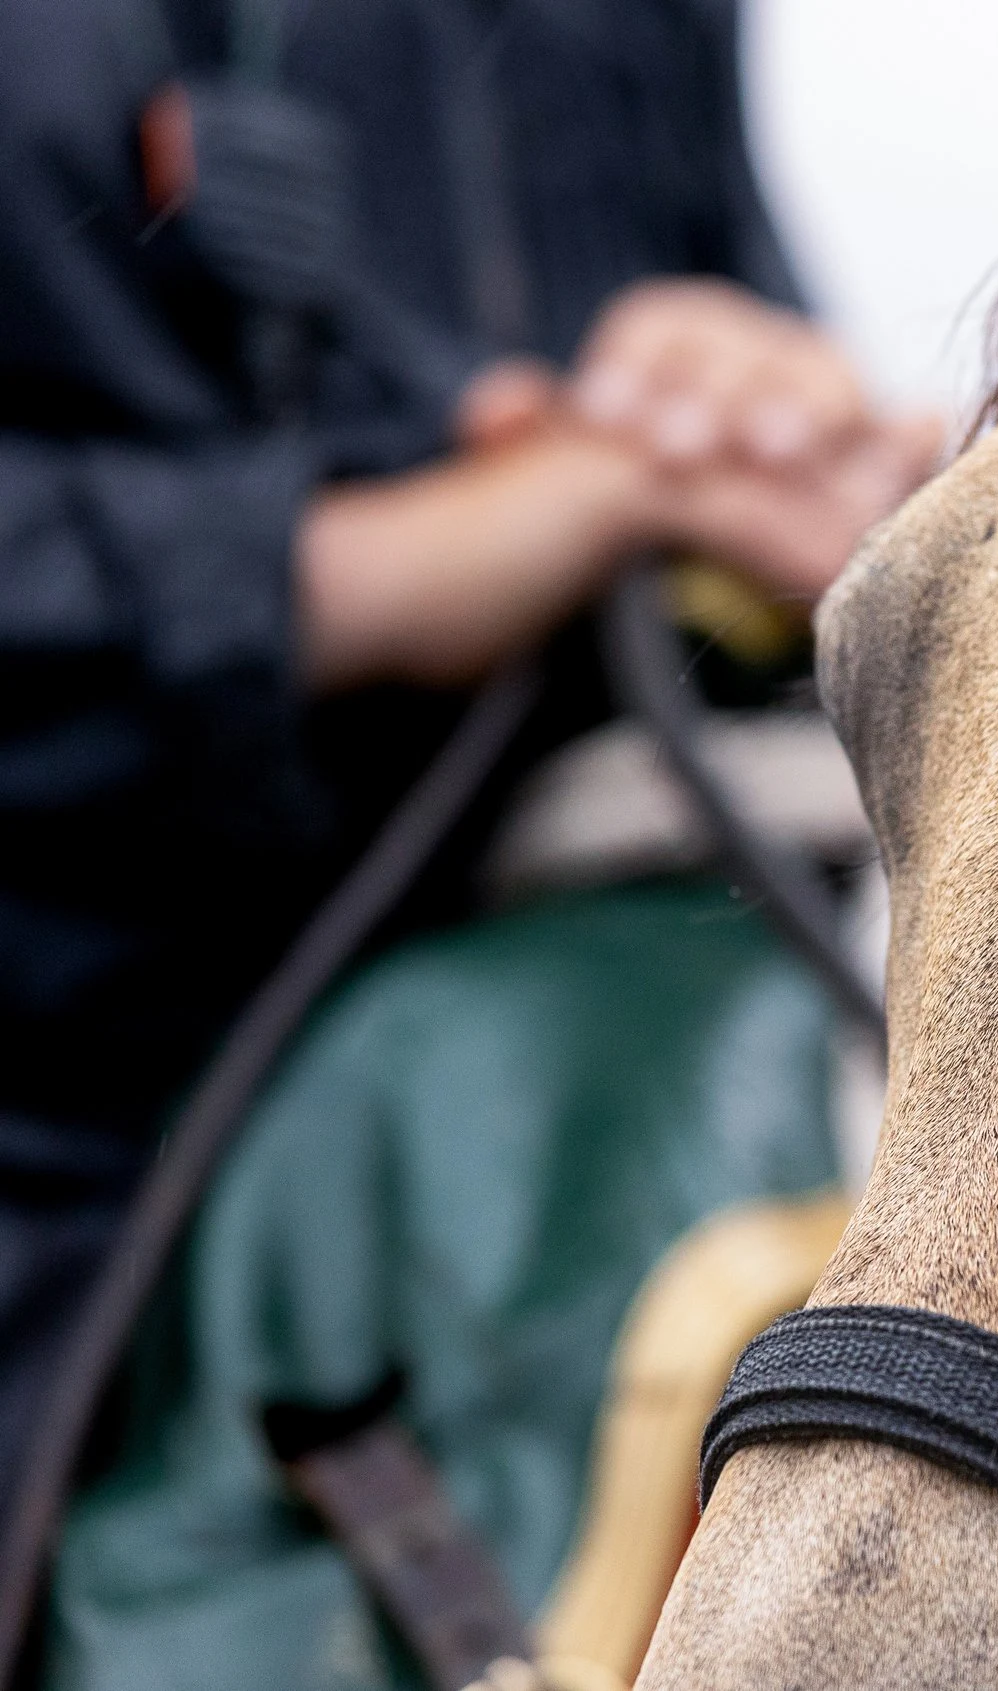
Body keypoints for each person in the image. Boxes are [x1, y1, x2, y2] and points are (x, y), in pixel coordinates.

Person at [0, 0, 936, 1529]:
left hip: (596, 1031)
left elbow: (691, 342)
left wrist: (767, 436)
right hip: (87, 1130)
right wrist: (347, 572)